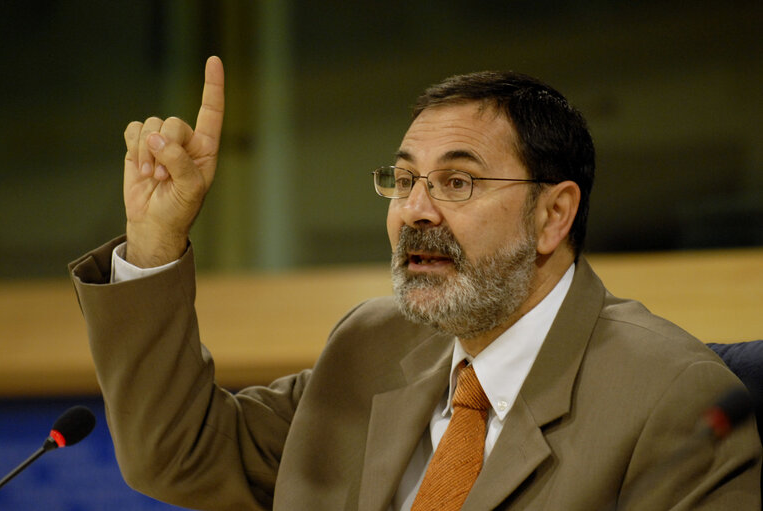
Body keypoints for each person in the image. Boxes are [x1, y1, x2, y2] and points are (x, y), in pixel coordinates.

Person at [69, 56, 761, 511]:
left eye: (457, 182)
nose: (415, 209)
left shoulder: (672, 396)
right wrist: (156, 240)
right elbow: (178, 454)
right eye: (403, 181)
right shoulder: (371, 345)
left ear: (554, 214)